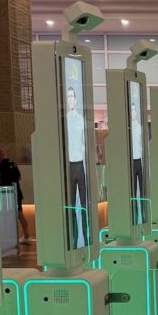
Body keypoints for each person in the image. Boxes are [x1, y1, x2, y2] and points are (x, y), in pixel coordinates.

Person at [65, 85, 89, 248]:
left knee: (84, 206)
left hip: (80, 165)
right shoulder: (64, 121)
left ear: (76, 99)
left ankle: (86, 240)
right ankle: (73, 242)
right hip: (69, 166)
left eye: (72, 96)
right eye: (68, 97)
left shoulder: (81, 120)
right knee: (71, 207)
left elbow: (84, 145)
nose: (70, 99)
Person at [0, 147, 31, 244]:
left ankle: (11, 238)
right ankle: (26, 235)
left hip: (7, 195)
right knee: (20, 214)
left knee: (10, 215)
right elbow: (19, 177)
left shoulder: (1, 166)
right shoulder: (12, 163)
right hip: (17, 192)